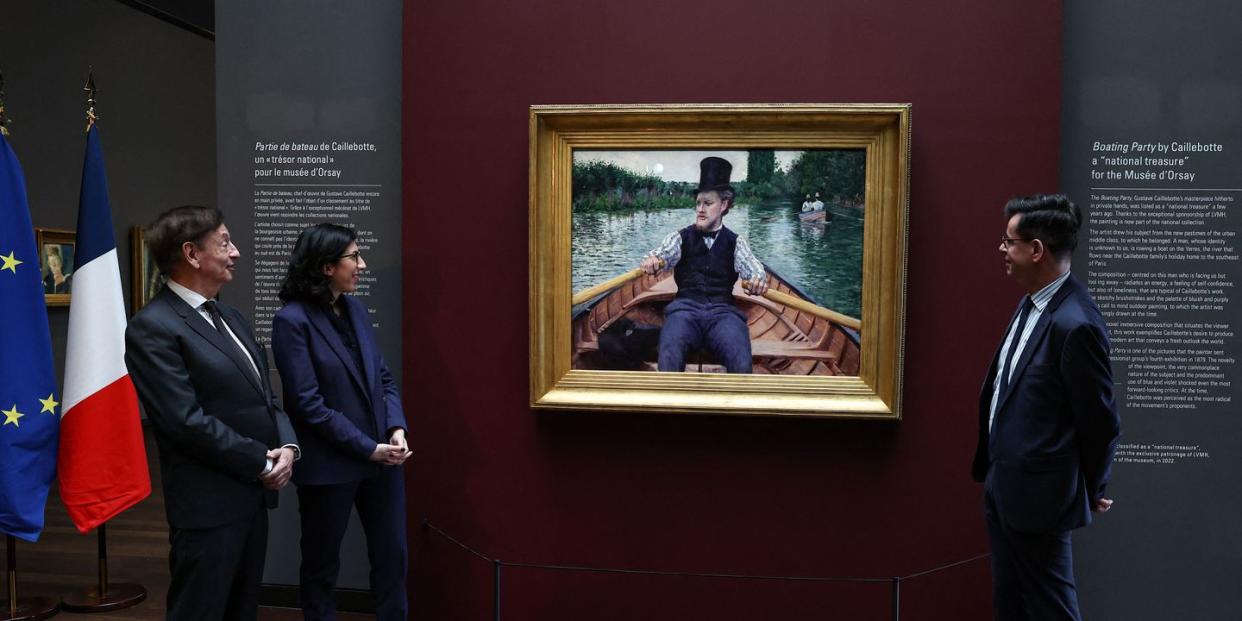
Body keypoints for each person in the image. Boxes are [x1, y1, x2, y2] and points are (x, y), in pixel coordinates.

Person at [124, 205, 299, 621]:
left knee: (241, 609)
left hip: (251, 497)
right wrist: (260, 460)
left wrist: (287, 445)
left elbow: (264, 397)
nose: (236, 252)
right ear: (191, 253)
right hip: (208, 508)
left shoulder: (230, 316)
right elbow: (184, 421)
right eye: (224, 242)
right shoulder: (154, 327)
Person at [972, 194, 1120, 620]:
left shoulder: (1076, 324)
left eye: (1008, 241)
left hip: (1040, 500)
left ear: (1036, 250)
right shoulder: (1034, 300)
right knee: (1012, 606)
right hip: (1004, 488)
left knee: (1053, 611)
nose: (1001, 249)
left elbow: (1101, 421)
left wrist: (1091, 487)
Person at [271, 224, 410, 621]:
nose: (362, 265)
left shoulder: (355, 308)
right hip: (330, 466)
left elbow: (382, 377)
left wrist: (395, 429)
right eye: (354, 257)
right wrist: (368, 447)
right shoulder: (291, 321)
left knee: (392, 556)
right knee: (321, 564)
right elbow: (307, 405)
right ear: (326, 266)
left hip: (383, 459)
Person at [639, 156, 768, 373]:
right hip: (684, 311)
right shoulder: (680, 237)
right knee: (669, 351)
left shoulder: (736, 242)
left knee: (741, 357)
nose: (700, 209)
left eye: (708, 203)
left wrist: (757, 281)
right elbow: (661, 255)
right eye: (698, 203)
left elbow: (755, 271)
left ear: (724, 205)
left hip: (723, 314)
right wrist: (652, 261)